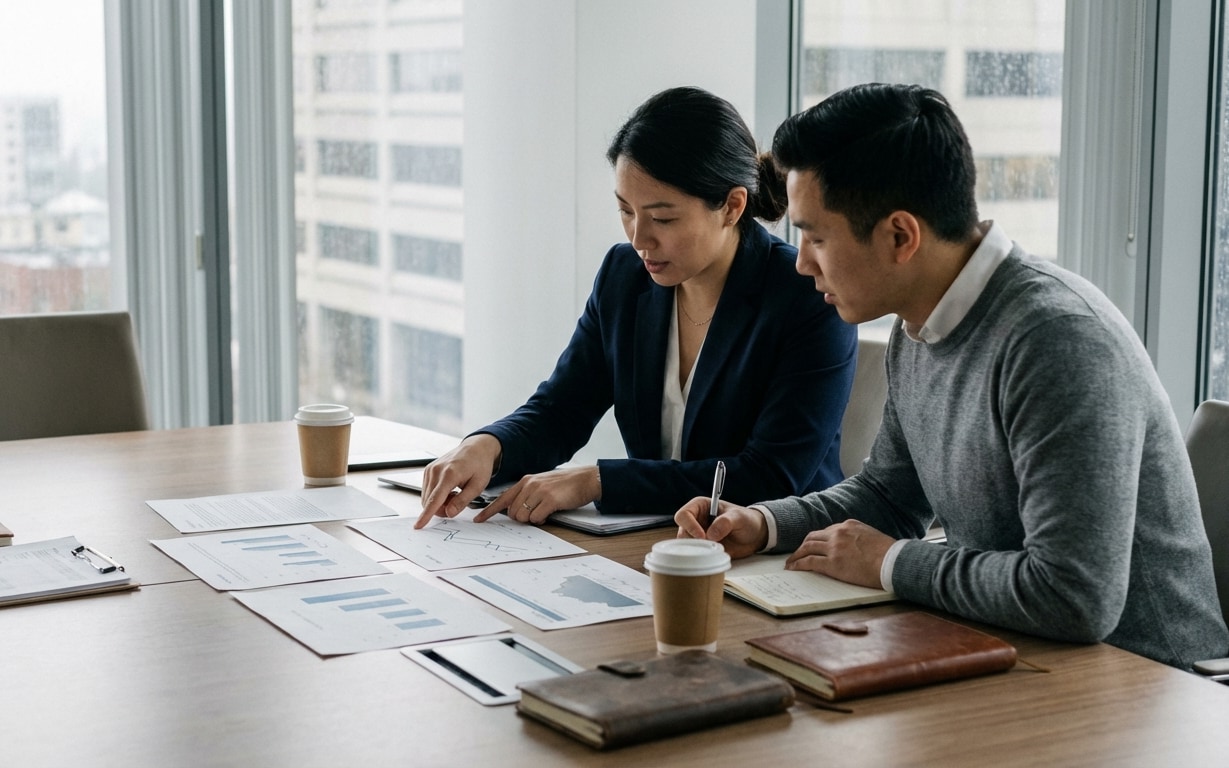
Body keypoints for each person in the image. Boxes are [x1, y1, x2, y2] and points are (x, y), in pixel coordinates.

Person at [676, 82, 1229, 670]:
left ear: (900, 236)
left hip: (1147, 685)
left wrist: (892, 563)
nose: (802, 261)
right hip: (1009, 652)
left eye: (815, 237)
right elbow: (888, 496)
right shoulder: (917, 324)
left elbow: (1075, 596)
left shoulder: (1058, 340)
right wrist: (762, 523)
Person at [415, 86, 857, 528]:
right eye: (626, 210)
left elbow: (771, 476)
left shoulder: (806, 295)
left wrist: (599, 481)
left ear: (731, 206)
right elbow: (562, 408)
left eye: (663, 219)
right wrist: (489, 446)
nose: (638, 238)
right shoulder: (624, 276)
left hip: (778, 556)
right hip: (656, 543)